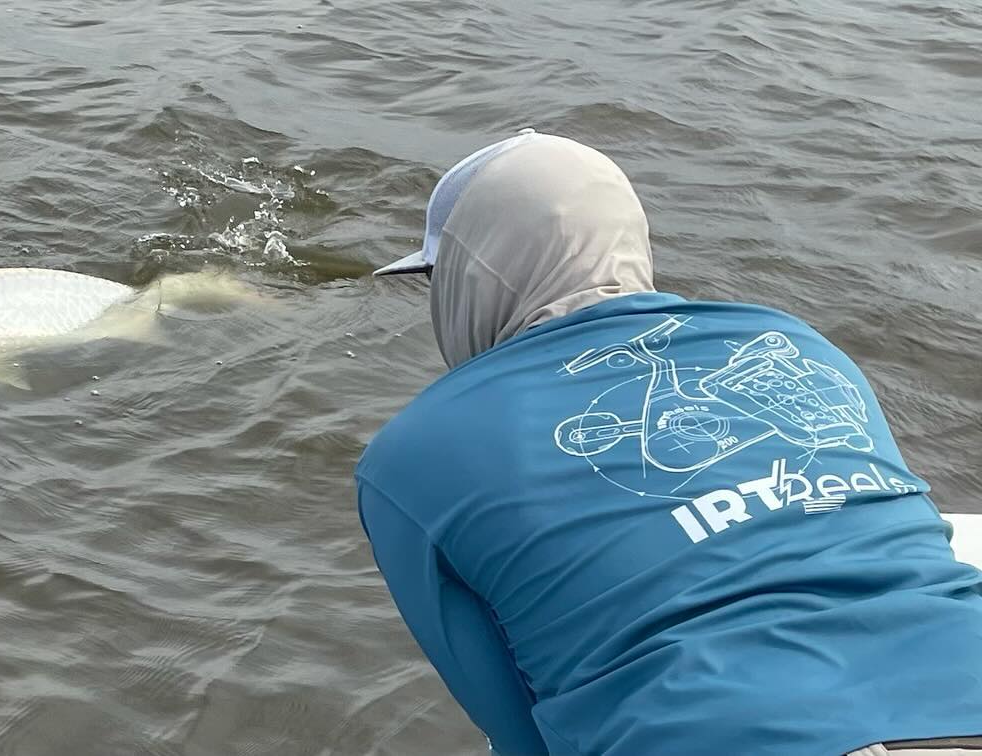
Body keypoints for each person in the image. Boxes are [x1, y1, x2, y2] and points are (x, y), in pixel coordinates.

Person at [356, 129, 982, 755]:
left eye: (437, 274)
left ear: (473, 271)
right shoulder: (796, 339)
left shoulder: (410, 454)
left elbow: (519, 733)